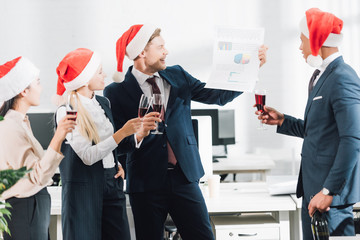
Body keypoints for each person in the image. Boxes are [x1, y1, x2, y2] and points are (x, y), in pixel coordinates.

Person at [104, 24, 267, 240]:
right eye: (160, 47)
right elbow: (116, 144)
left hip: (184, 177)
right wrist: (138, 135)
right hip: (145, 183)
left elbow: (217, 96)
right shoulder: (115, 92)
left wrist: (250, 68)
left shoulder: (177, 74)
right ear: (142, 52)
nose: (166, 51)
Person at [256, 8, 360, 238]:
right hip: (314, 191)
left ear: (317, 40)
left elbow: (352, 140)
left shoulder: (342, 78)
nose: (300, 47)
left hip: (328, 197)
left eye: (302, 40)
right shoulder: (323, 75)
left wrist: (328, 190)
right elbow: (319, 132)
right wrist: (282, 121)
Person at [54, 48, 158, 240]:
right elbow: (88, 156)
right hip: (83, 192)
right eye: (99, 71)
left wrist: (136, 137)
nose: (105, 74)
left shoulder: (104, 103)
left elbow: (111, 147)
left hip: (112, 184)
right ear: (85, 78)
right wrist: (122, 133)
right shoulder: (66, 111)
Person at [0, 56, 76, 240]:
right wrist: (59, 136)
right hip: (25, 208)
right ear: (23, 91)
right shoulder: (10, 126)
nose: (41, 88)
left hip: (32, 207)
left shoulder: (21, 122)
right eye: (38, 83)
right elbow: (36, 175)